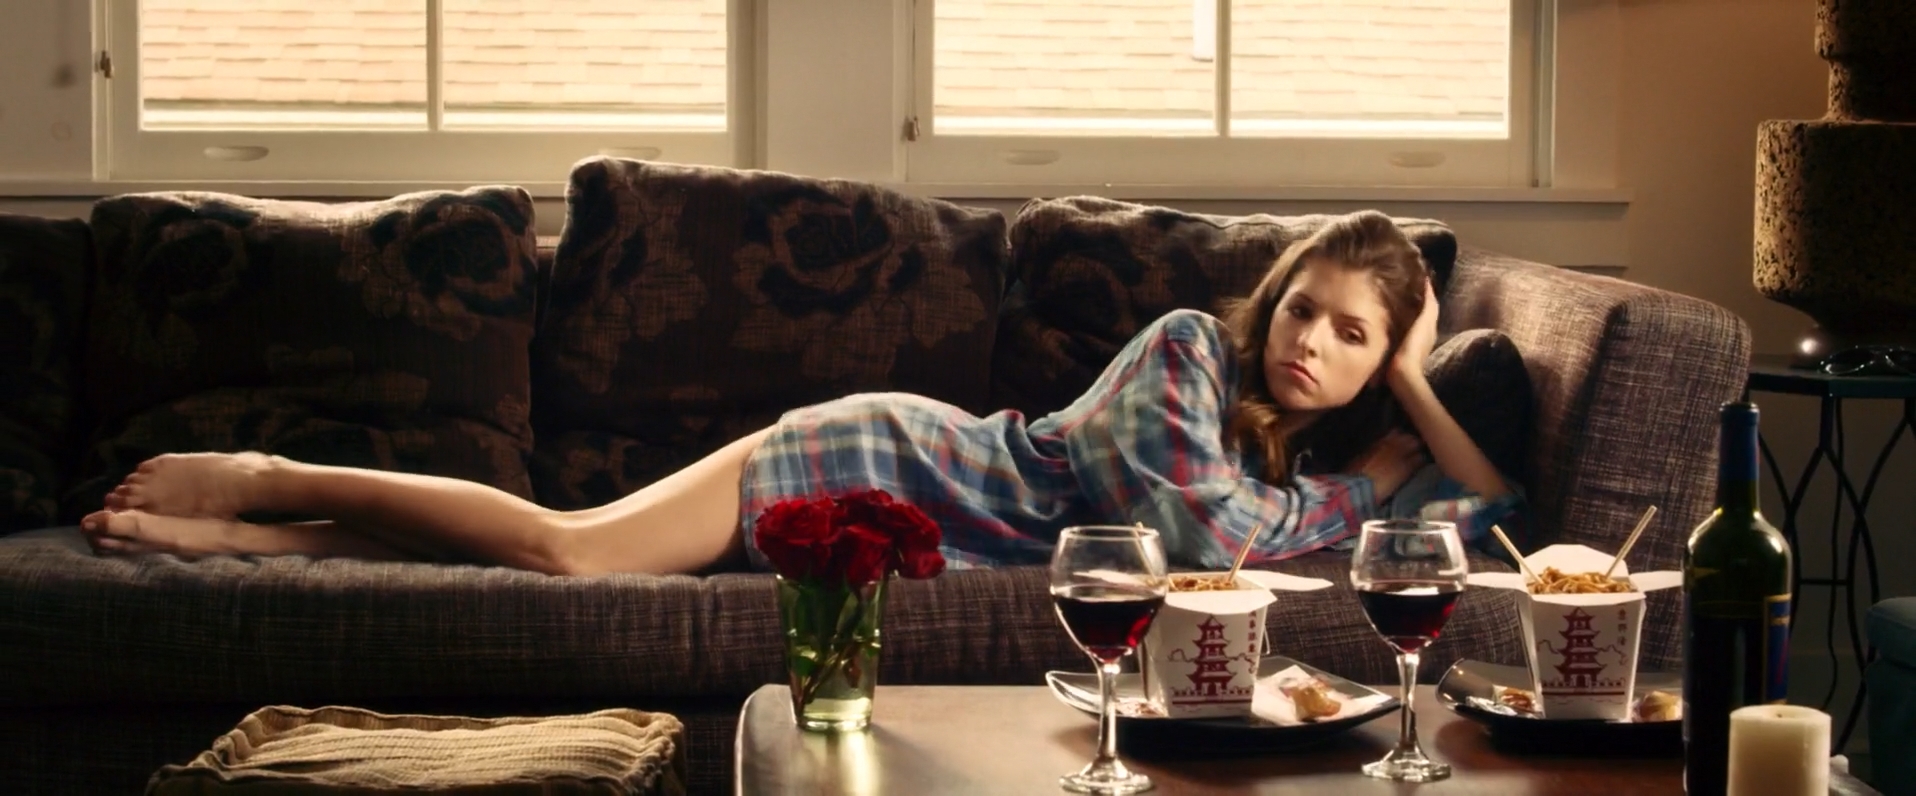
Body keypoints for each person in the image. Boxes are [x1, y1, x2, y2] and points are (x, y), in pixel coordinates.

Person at [80, 210, 1520, 576]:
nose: (1311, 342)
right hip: (884, 461)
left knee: (574, 562)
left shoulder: (1285, 473)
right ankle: (270, 478)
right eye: (1306, 308)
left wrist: (1412, 377)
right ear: (1273, 300)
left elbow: (1493, 508)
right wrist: (1367, 483)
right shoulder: (1188, 354)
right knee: (571, 549)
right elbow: (1206, 545)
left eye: (1353, 338)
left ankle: (278, 544)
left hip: (906, 518)